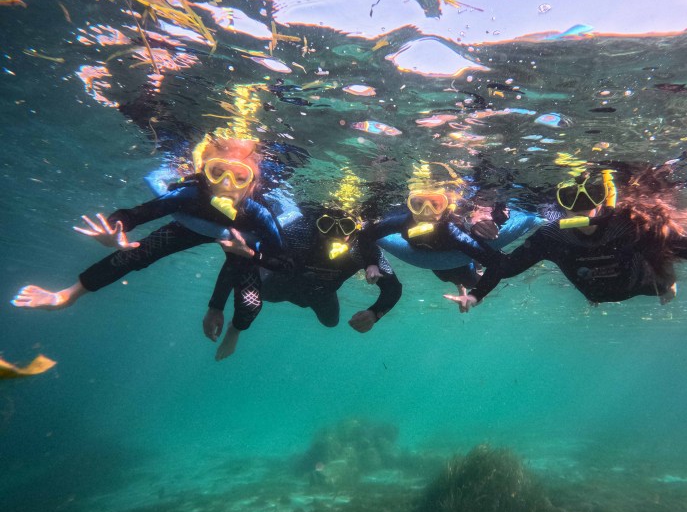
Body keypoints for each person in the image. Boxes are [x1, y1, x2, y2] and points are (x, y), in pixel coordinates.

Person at [446, 166, 687, 312]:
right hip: (596, 294)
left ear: (606, 199)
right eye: (570, 199)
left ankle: (666, 283)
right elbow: (506, 267)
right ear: (559, 204)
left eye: (592, 197)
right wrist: (477, 293)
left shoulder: (633, 225)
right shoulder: (550, 236)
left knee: (661, 280)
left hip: (643, 285)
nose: (582, 208)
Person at [13, 133, 287, 311]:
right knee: (137, 251)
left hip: (241, 242)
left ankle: (229, 325)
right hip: (191, 225)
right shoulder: (191, 195)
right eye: (217, 172)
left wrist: (250, 253)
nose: (226, 185)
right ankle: (68, 295)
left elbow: (283, 261)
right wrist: (113, 229)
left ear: (253, 185)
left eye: (240, 177)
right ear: (204, 172)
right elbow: (134, 214)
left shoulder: (257, 213)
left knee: (245, 287)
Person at [204, 205, 402, 360]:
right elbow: (238, 260)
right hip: (278, 284)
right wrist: (216, 307)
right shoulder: (297, 232)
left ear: (356, 228)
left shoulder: (362, 248)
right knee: (256, 291)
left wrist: (375, 313)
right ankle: (236, 328)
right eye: (326, 225)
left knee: (331, 322)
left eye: (346, 226)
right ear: (316, 223)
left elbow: (393, 287)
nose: (335, 233)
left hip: (320, 293)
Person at [362, 162, 501, 288]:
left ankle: (475, 271)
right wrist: (371, 263)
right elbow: (365, 235)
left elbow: (490, 258)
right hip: (435, 264)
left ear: (445, 207)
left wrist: (479, 293)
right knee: (446, 278)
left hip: (459, 260)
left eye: (435, 205)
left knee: (471, 283)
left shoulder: (450, 231)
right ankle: (460, 287)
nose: (426, 213)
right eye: (418, 205)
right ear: (409, 205)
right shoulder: (402, 222)